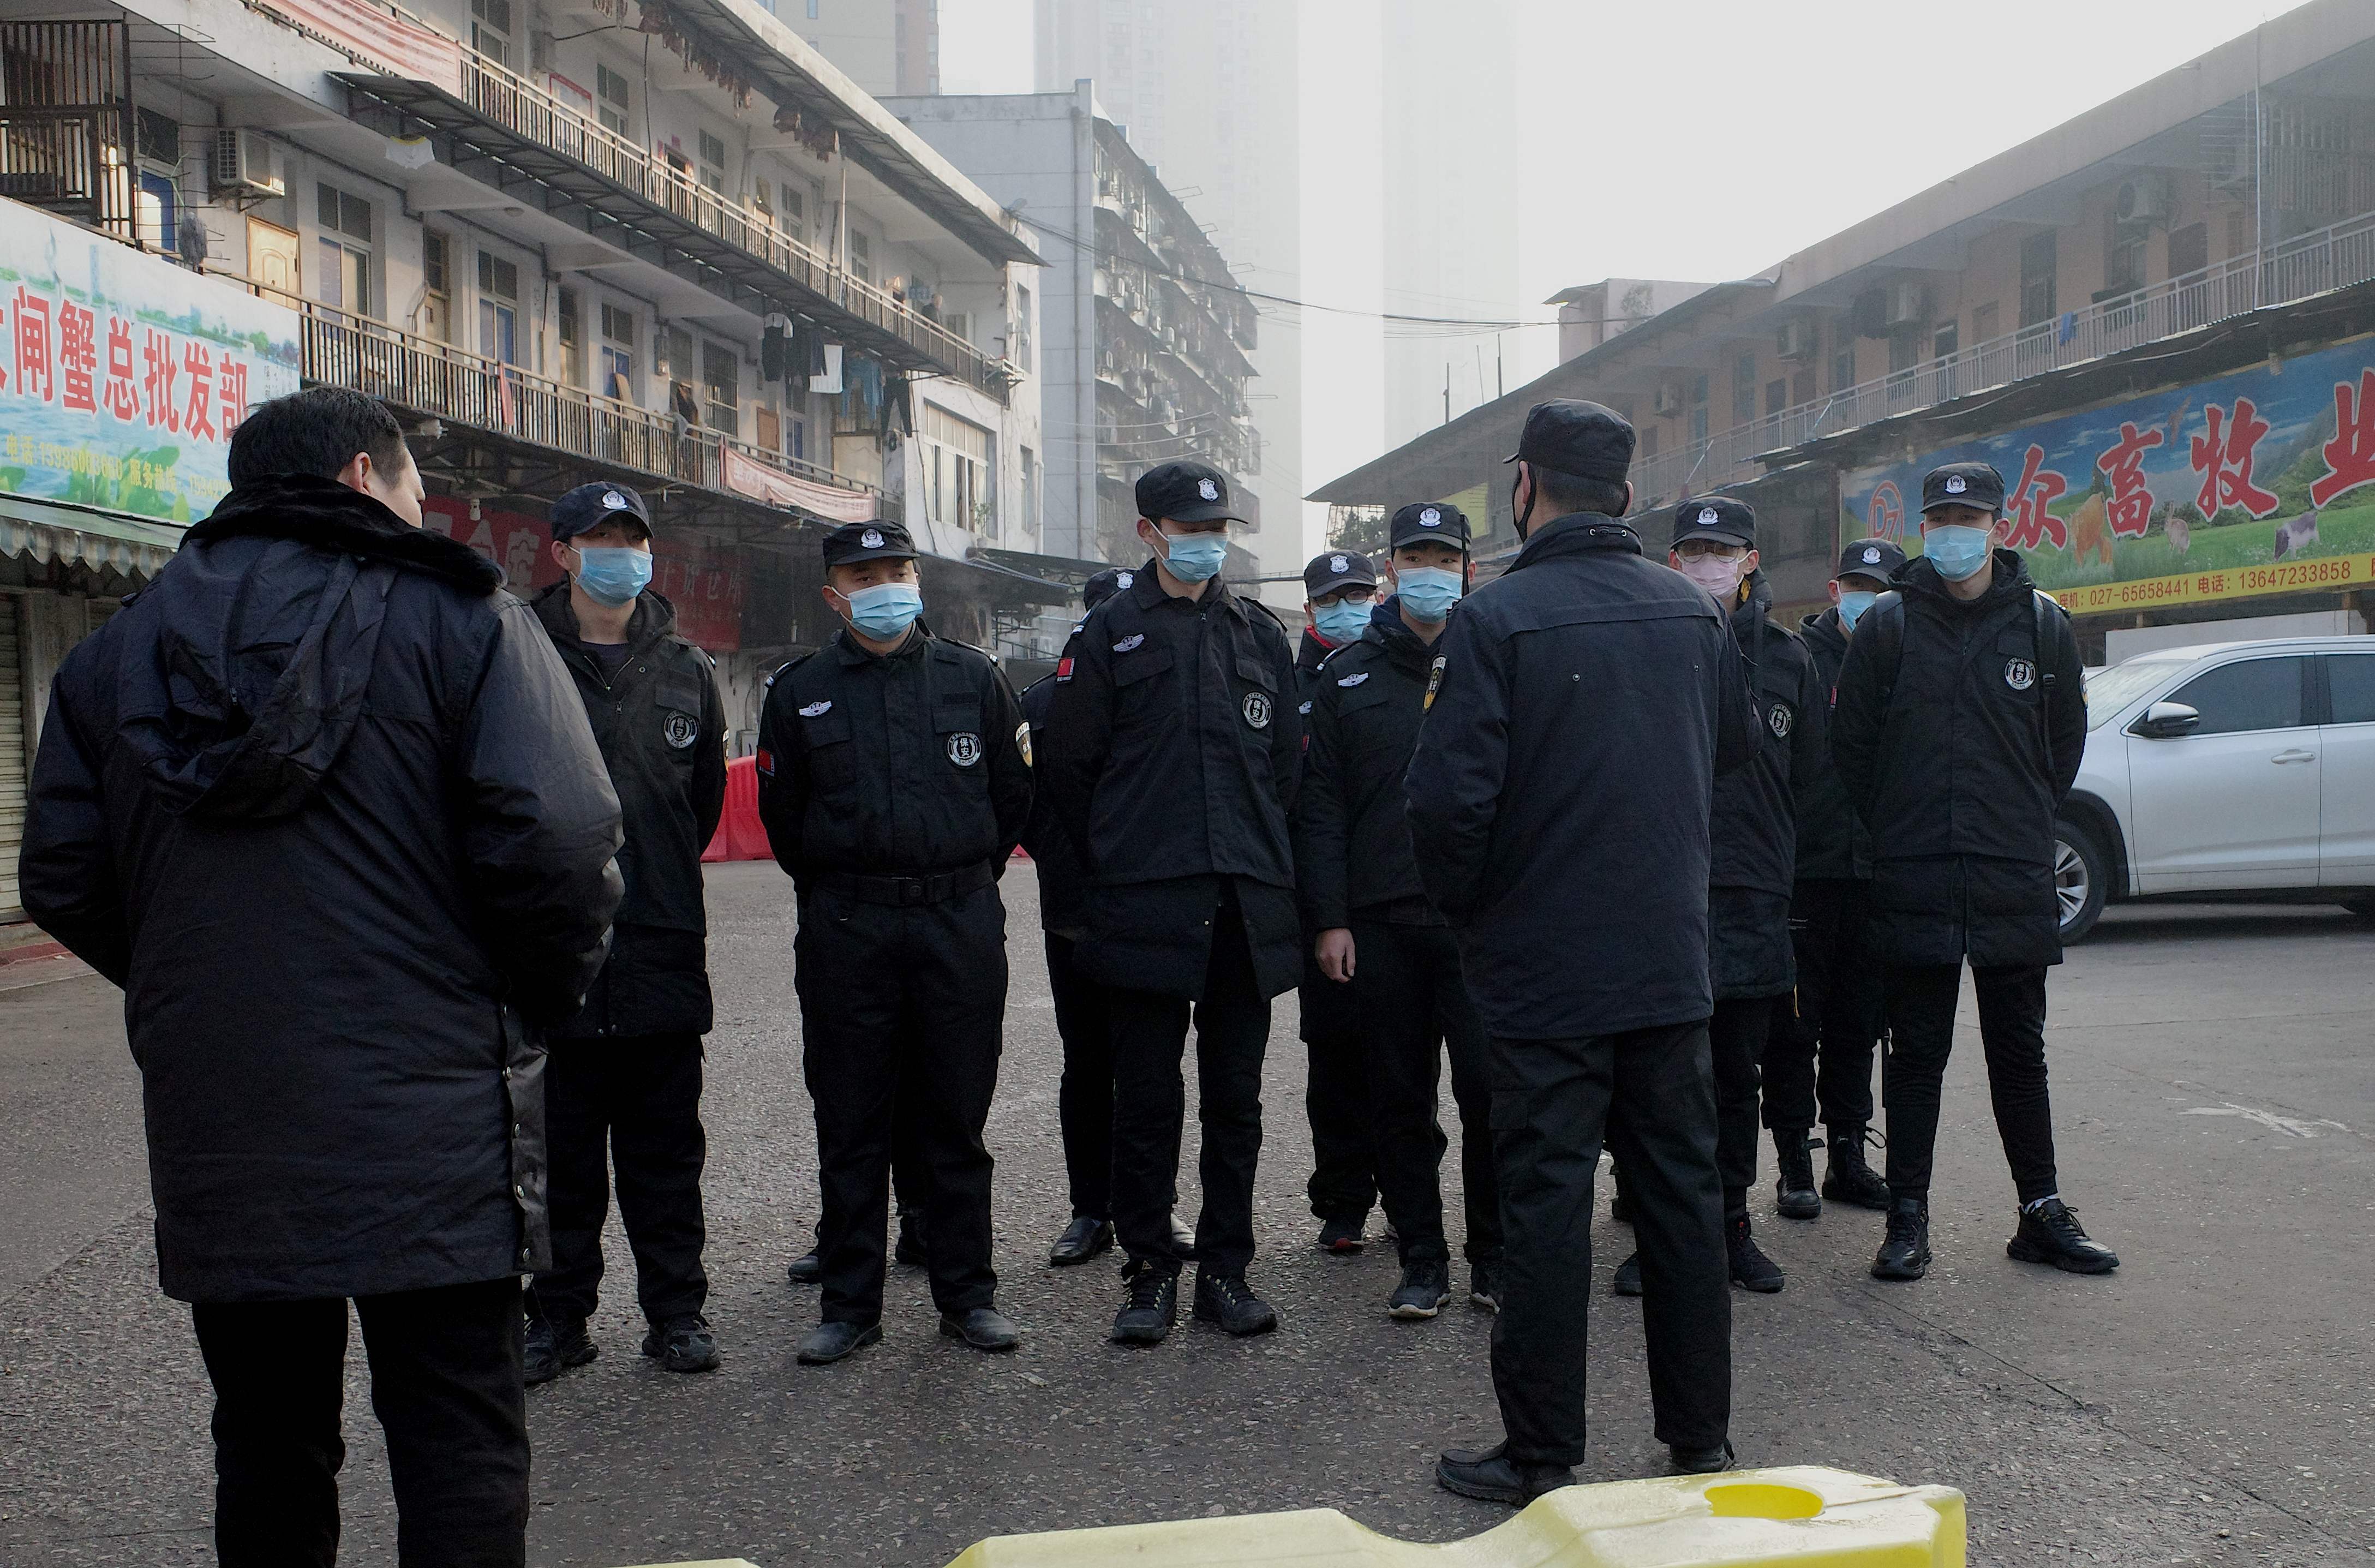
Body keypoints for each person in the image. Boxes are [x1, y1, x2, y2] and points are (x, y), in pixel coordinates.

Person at [20, 386, 623, 1567]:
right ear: (363, 477)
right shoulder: (464, 618)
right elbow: (561, 837)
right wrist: (520, 1003)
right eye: (411, 485)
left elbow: (64, 877)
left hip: (227, 1115)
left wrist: (193, 992)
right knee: (456, 1436)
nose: (418, 508)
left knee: (267, 1441)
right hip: (436, 1106)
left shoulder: (117, 650)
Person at [1407, 399, 1753, 1504]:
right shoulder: (1691, 618)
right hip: (1664, 959)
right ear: (1626, 496)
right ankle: (1698, 1435)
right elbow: (1730, 762)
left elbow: (1447, 808)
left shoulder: (1494, 621)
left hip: (1542, 970)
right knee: (1681, 1196)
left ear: (1525, 485)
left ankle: (1541, 1450)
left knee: (1547, 1204)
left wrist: (1475, 920)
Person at [1832, 461, 2117, 1282]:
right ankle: (1907, 1217)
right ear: (1926, 526)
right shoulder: (1887, 626)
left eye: (1970, 514)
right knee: (1916, 1052)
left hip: (2007, 872)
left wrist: (2013, 820)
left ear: (1999, 522)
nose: (1954, 530)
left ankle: (2040, 1211)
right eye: (1941, 515)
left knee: (2018, 1050)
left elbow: (2060, 749)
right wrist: (1901, 820)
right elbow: (1852, 750)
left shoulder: (2041, 625)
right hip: (1915, 869)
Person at [755, 519, 1032, 1363]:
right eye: (863, 573)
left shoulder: (972, 678)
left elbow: (1012, 798)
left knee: (954, 1118)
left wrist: (952, 878)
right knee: (850, 1120)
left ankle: (967, 1296)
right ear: (834, 592)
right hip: (849, 925)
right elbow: (784, 822)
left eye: (896, 569)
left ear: (917, 579)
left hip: (957, 919)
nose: (883, 585)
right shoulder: (799, 690)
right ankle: (850, 1306)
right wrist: (855, 888)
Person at [1042, 459, 1302, 1346]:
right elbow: (1069, 780)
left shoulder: (1259, 635)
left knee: (1236, 1099)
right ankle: (1149, 1267)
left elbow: (1288, 777)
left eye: (1215, 529)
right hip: (1143, 907)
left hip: (1241, 907)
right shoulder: (1108, 637)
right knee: (1146, 1098)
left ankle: (1225, 1269)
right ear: (1147, 532)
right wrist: (1081, 906)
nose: (1205, 543)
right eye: (1187, 529)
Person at [523, 482, 727, 1383]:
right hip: (551, 959)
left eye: (631, 538)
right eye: (599, 538)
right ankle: (558, 1318)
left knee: (665, 1155)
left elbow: (704, 804)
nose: (619, 554)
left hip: (660, 950)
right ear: (561, 549)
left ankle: (675, 1314)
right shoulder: (513, 653)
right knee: (557, 1159)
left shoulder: (686, 665)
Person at [1610, 498, 1821, 1299]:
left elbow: (1810, 781)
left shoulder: (1788, 659)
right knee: (1658, 1077)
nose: (1706, 564)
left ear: (1750, 560)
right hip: (1662, 895)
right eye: (1692, 550)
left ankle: (1732, 1223)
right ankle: (1661, 1230)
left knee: (1737, 1073)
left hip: (1752, 894)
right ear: (1671, 563)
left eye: (1720, 550)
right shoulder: (1644, 648)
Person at [1295, 501, 1501, 1321]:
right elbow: (1321, 810)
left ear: (1467, 568)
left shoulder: (1493, 658)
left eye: (1442, 556)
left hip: (1478, 923)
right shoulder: (1344, 675)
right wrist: (1330, 918)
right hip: (1380, 925)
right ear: (1389, 569)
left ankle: (1493, 1255)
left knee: (1491, 1095)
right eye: (1412, 555)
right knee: (1398, 1099)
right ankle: (1422, 1258)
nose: (1428, 569)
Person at [1022, 566, 1187, 1266]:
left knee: (1152, 1070)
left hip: (1154, 908)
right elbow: (1029, 808)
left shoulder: (1171, 691)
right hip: (1077, 911)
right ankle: (1090, 1209)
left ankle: (1155, 1206)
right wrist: (1090, 866)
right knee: (1086, 1063)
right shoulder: (1039, 701)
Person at [1764, 537, 1906, 1218]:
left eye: (1879, 588)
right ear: (1833, 590)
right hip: (1805, 872)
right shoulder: (1798, 660)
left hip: (1875, 872)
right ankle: (1795, 1158)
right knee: (1794, 1025)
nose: (1865, 598)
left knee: (1859, 1025)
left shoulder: (1906, 659)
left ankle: (1849, 1154)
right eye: (1856, 584)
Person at [1295, 547, 1383, 1253]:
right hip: (1319, 900)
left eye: (1359, 594)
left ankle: (1405, 1189)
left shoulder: (1409, 670)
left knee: (1406, 1061)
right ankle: (1344, 1198)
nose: (1347, 607)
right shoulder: (1281, 680)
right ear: (1310, 609)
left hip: (1396, 896)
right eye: (1333, 598)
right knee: (1335, 1061)